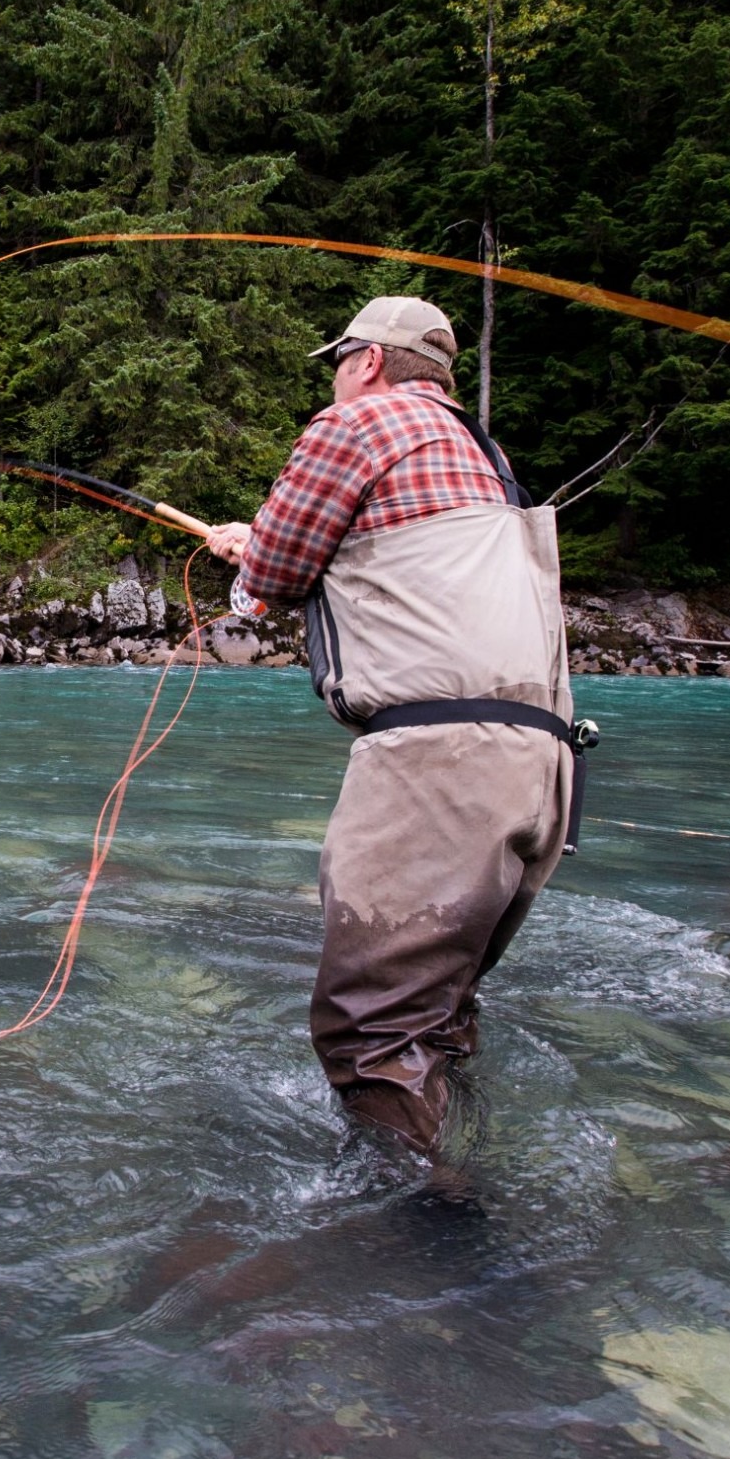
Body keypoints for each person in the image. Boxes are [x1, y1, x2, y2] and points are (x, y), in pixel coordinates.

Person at [205, 295, 586, 1159]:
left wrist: (250, 557)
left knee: (372, 1032)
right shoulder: (485, 455)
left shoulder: (359, 423)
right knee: (436, 1017)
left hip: (444, 764)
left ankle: (421, 1246)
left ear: (368, 360)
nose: (336, 380)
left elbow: (276, 574)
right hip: (544, 764)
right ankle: (461, 1168)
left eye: (338, 361)